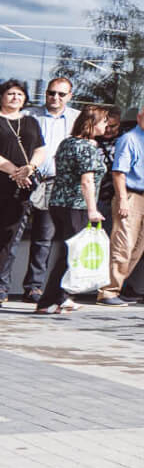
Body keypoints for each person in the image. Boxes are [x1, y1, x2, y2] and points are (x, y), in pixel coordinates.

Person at [36, 103, 111, 315]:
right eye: (104, 121)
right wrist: (93, 209)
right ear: (92, 123)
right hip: (76, 206)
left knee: (67, 252)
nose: (106, 125)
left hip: (58, 203)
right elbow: (87, 181)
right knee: (71, 254)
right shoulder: (87, 147)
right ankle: (47, 301)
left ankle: (61, 298)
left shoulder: (67, 143)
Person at [14, 75, 78, 304]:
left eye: (61, 94)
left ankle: (34, 287)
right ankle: (2, 287)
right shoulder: (29, 115)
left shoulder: (75, 120)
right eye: (51, 92)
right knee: (11, 236)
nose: (55, 97)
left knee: (44, 238)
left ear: (70, 96)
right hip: (23, 180)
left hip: (54, 184)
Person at [98, 102, 144, 306]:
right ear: (139, 117)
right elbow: (119, 172)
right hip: (129, 197)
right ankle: (108, 291)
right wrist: (122, 200)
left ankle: (117, 287)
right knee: (122, 246)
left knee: (137, 248)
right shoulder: (130, 139)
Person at [0, 79, 49, 306]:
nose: (15, 98)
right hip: (4, 181)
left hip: (22, 188)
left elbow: (40, 149)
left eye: (19, 94)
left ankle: (2, 287)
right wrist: (14, 171)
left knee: (10, 239)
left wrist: (30, 168)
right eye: (10, 94)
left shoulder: (30, 121)